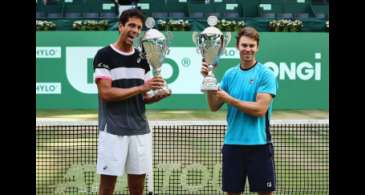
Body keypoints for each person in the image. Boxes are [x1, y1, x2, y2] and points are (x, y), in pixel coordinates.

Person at [93, 8, 169, 195]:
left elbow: (143, 98)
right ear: (121, 27)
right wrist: (142, 88)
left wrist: (156, 96)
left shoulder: (143, 59)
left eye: (138, 27)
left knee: (137, 188)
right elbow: (106, 93)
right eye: (131, 25)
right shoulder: (104, 55)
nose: (135, 30)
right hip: (113, 130)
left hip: (139, 130)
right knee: (107, 188)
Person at [201, 27, 278, 195]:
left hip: (259, 145)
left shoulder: (266, 74)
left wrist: (229, 99)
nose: (248, 49)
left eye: (252, 45)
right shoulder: (230, 74)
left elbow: (259, 109)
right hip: (232, 145)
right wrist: (208, 82)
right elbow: (214, 106)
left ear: (257, 47)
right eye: (244, 45)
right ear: (237, 46)